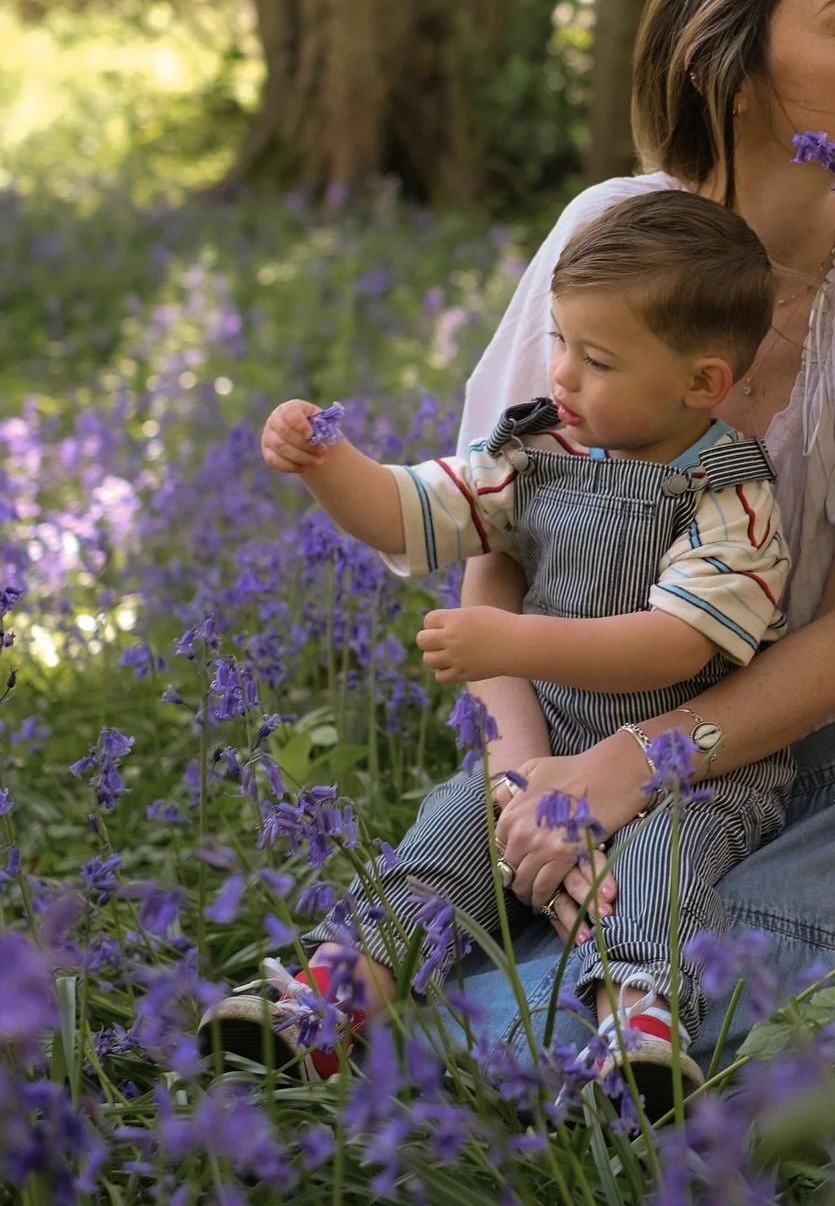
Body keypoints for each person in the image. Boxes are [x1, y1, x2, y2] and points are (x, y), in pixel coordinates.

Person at [355, 0, 835, 1061]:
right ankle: (564, 997)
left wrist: (634, 772)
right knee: (604, 956)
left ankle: (556, 1016)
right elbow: (498, 551)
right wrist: (533, 782)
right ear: (733, 77)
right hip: (573, 729)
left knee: (798, 996)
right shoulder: (611, 236)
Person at [223, 192, 794, 1103]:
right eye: (560, 341)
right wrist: (331, 467)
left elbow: (677, 646)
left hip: (684, 764)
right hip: (540, 745)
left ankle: (637, 1025)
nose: (562, 372)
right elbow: (415, 511)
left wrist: (509, 637)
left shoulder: (729, 497)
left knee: (656, 869)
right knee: (448, 841)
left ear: (703, 384)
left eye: (597, 358)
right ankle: (334, 999)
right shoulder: (533, 450)